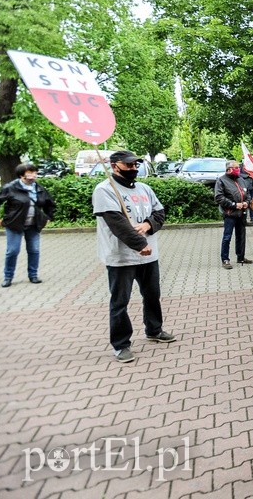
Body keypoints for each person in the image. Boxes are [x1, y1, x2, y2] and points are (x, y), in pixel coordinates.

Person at [92, 151, 175, 363]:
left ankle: (154, 330)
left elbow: (160, 213)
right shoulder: (104, 190)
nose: (133, 169)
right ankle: (121, 345)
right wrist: (139, 245)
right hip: (121, 258)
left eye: (135, 165)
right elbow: (116, 222)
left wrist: (148, 225)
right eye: (128, 165)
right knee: (120, 302)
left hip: (149, 255)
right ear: (114, 166)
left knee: (152, 294)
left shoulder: (144, 188)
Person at [0, 163, 56, 288]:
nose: (33, 175)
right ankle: (8, 277)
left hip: (33, 225)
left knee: (34, 250)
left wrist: (48, 217)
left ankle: (33, 275)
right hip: (14, 224)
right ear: (22, 175)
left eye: (35, 172)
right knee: (12, 251)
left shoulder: (38, 188)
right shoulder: (11, 187)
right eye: (30, 172)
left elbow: (49, 203)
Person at [215, 160, 253, 269]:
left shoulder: (241, 179)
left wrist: (247, 202)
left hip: (242, 213)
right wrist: (234, 205)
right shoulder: (221, 180)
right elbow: (219, 197)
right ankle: (225, 259)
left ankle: (241, 257)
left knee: (241, 236)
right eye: (236, 167)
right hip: (230, 213)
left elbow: (248, 194)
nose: (238, 169)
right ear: (229, 169)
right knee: (227, 237)